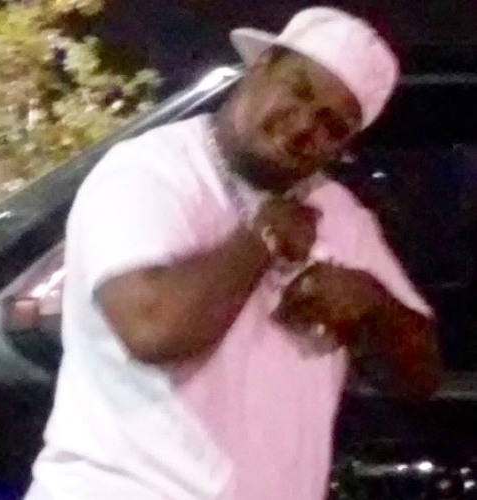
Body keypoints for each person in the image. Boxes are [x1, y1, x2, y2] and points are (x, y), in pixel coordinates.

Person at [26, 7, 441, 500]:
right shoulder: (150, 172)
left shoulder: (338, 212)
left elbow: (421, 377)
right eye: (299, 90)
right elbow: (153, 329)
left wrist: (372, 307)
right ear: (262, 65)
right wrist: (261, 238)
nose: (303, 124)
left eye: (332, 125)